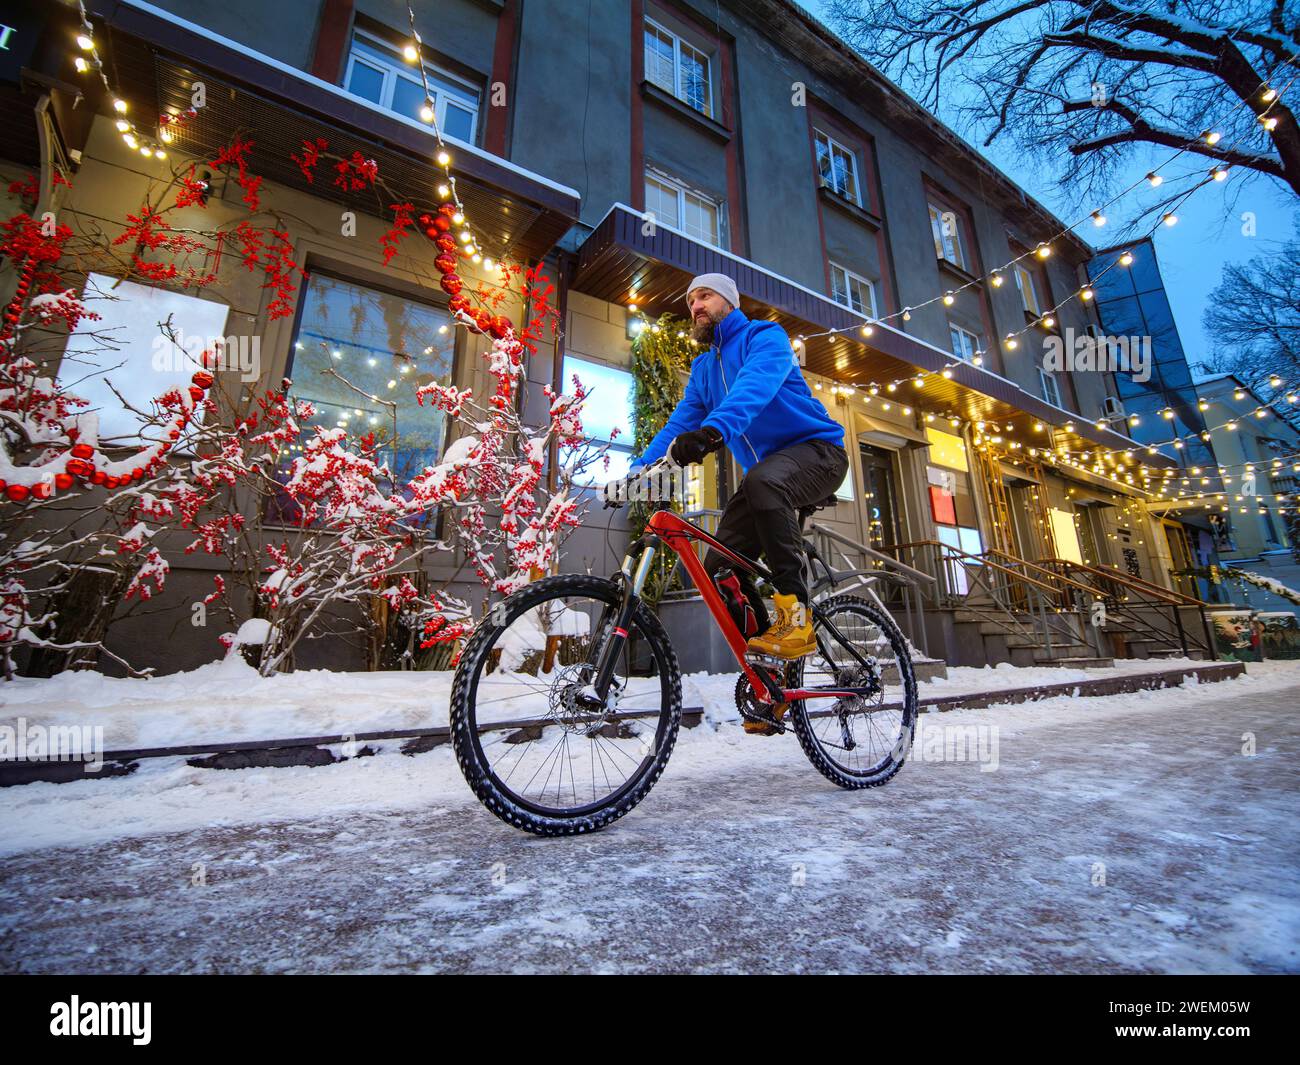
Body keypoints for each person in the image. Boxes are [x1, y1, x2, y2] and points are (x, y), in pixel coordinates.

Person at [628, 272, 850, 684]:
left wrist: (712, 432)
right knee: (720, 568)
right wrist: (638, 469)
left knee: (765, 481)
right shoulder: (703, 369)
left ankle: (795, 616)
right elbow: (680, 422)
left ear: (729, 301)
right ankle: (768, 679)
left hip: (819, 453)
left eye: (706, 296)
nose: (696, 306)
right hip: (769, 473)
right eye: (691, 300)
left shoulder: (764, 337)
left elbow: (753, 388)